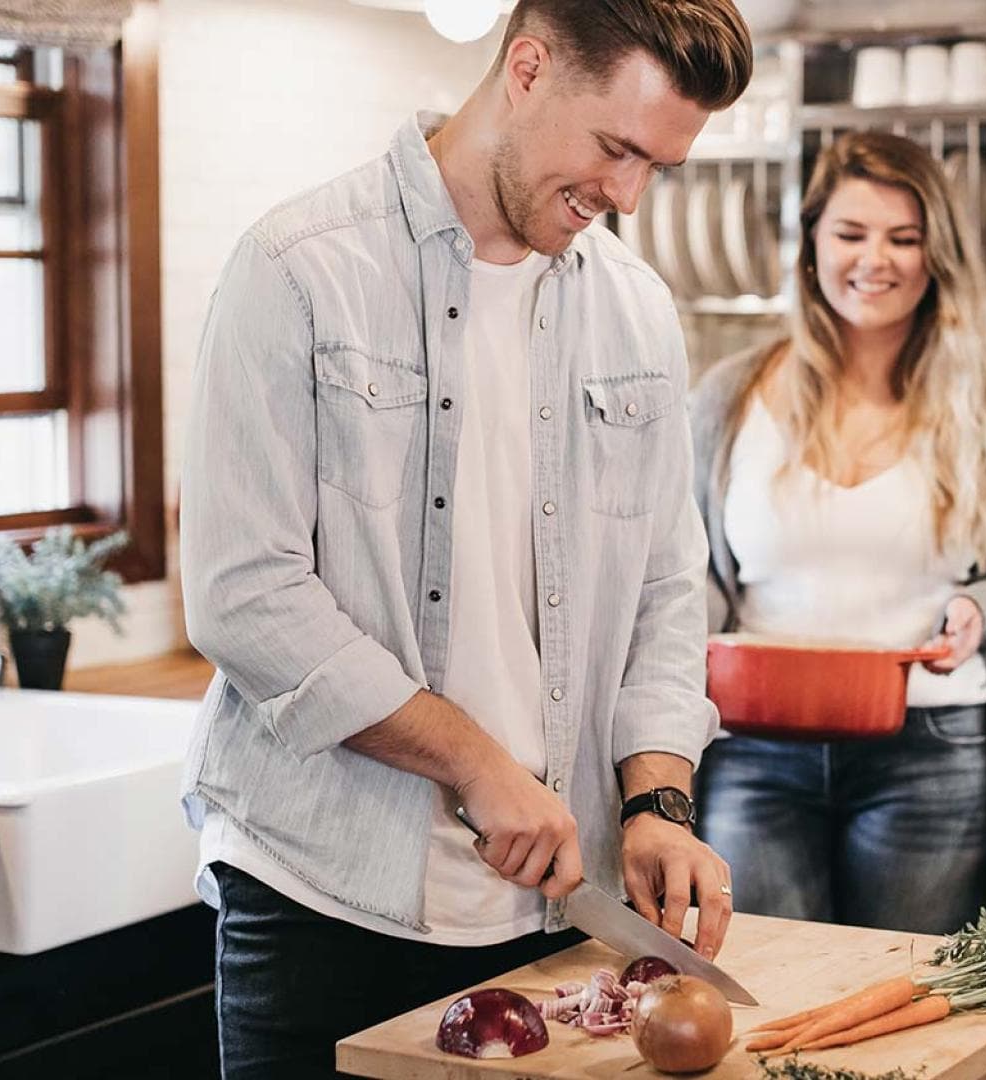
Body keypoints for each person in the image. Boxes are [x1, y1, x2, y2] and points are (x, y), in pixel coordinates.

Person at [177, 2, 753, 1073]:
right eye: (617, 149)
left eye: (656, 169)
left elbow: (670, 593)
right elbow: (243, 594)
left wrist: (657, 801)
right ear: (526, 69)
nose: (626, 196)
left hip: (550, 917)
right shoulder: (299, 268)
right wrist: (474, 761)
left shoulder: (636, 310)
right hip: (326, 897)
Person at [689, 131, 986, 935]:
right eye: (851, 234)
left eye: (904, 238)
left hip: (929, 746)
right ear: (812, 242)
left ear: (938, 255)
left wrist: (981, 611)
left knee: (904, 1007)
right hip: (755, 748)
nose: (874, 260)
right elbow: (694, 578)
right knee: (758, 987)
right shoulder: (729, 397)